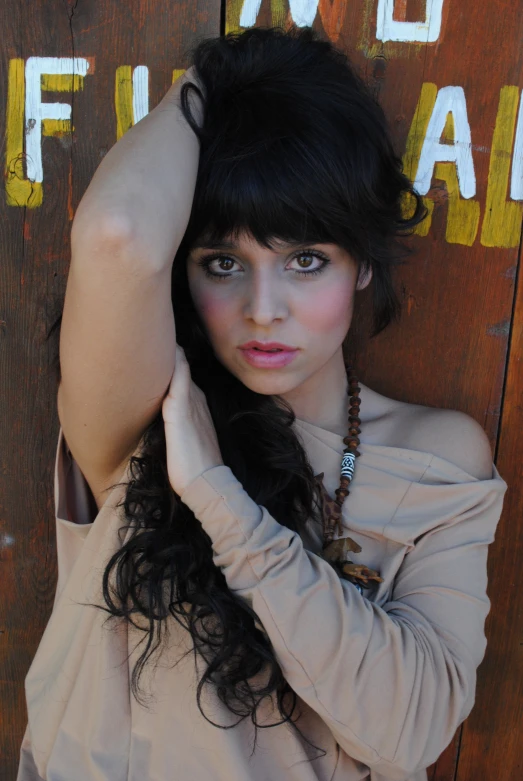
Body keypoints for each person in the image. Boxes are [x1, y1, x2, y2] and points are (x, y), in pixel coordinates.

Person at [18, 25, 507, 781]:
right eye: (223, 263)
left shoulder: (438, 456)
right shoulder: (144, 416)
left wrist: (220, 500)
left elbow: (411, 730)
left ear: (364, 265)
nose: (262, 308)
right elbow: (118, 234)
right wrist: (219, 82)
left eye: (305, 260)